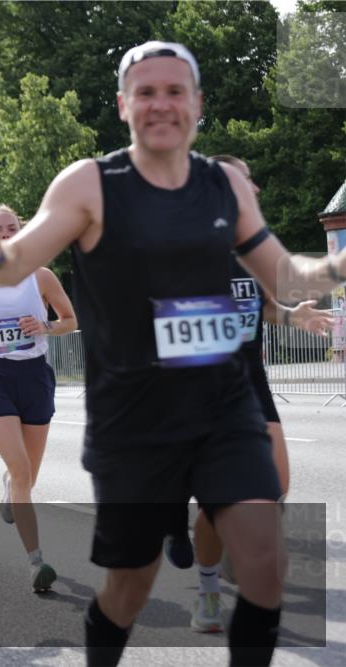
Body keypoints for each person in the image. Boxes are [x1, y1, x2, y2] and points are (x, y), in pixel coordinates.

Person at [0, 41, 346, 667]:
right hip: (134, 416)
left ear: (197, 103)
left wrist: (337, 267)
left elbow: (286, 275)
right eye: (146, 92)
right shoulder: (89, 183)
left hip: (224, 405)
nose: (161, 103)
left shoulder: (225, 185)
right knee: (129, 587)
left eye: (174, 91)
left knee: (265, 558)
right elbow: (17, 261)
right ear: (123, 105)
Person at [173, 155, 336, 633]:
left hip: (251, 382)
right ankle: (207, 591)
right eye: (245, 180)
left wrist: (292, 315)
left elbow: (263, 306)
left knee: (276, 486)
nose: (256, 188)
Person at [0, 204, 78, 592]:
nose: (5, 234)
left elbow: (71, 320)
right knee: (23, 471)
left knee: (27, 478)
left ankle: (10, 485)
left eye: (11, 227)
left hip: (35, 377)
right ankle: (35, 561)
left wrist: (44, 326)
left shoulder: (41, 276)